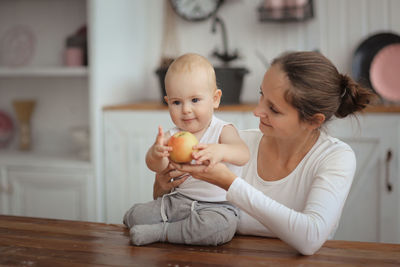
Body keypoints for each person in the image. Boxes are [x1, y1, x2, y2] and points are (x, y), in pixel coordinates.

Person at [154, 51, 376, 255]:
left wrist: (230, 183)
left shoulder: (335, 157)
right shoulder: (234, 145)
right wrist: (162, 187)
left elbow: (311, 237)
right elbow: (181, 209)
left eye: (274, 109)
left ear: (313, 121)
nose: (257, 111)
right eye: (261, 95)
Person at [123, 53, 250, 246]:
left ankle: (162, 232)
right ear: (168, 102)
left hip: (216, 208)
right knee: (135, 216)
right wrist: (156, 153)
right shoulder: (172, 135)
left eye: (195, 100)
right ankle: (177, 228)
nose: (186, 110)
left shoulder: (222, 130)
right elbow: (155, 166)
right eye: (177, 102)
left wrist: (220, 151)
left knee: (218, 229)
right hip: (178, 201)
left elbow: (243, 154)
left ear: (215, 99)